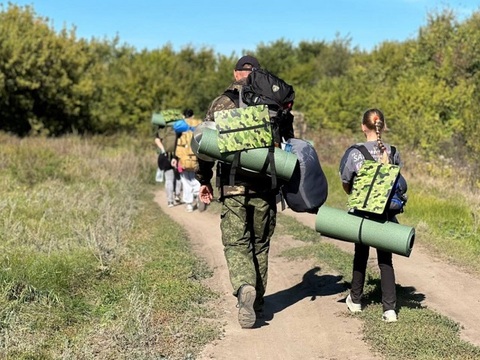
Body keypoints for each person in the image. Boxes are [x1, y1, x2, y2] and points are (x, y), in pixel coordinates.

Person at [195, 55, 294, 328]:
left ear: (235, 73)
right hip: (266, 182)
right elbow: (289, 141)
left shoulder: (221, 102)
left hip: (232, 185)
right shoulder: (273, 103)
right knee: (260, 244)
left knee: (237, 243)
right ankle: (258, 301)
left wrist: (203, 179)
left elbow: (204, 145)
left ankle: (245, 287)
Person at [339, 108, 403, 323]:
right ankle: (389, 310)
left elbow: (346, 182)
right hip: (384, 212)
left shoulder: (355, 153)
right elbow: (396, 182)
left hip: (362, 211)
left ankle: (355, 301)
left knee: (361, 254)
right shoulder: (393, 152)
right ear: (382, 126)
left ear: (363, 126)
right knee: (385, 260)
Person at [176, 109, 203, 212]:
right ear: (193, 115)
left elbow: (177, 142)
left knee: (186, 182)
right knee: (196, 178)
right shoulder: (199, 124)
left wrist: (176, 158)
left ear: (184, 115)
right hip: (196, 157)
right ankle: (197, 193)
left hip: (184, 158)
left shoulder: (180, 125)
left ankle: (189, 204)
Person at [155, 130, 182, 207]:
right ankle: (177, 195)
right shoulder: (178, 127)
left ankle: (170, 201)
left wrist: (163, 150)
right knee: (178, 176)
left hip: (165, 156)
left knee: (168, 179)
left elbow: (157, 140)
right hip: (177, 156)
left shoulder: (162, 129)